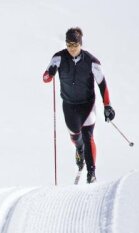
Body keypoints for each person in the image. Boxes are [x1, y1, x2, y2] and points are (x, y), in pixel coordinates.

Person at [42, 27, 115, 183]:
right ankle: (79, 150)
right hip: (69, 105)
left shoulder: (92, 61)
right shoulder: (58, 58)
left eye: (75, 45)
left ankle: (91, 173)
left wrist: (107, 105)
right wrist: (51, 72)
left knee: (88, 136)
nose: (72, 48)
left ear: (80, 44)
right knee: (76, 137)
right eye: (69, 45)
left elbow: (102, 83)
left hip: (87, 105)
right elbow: (46, 78)